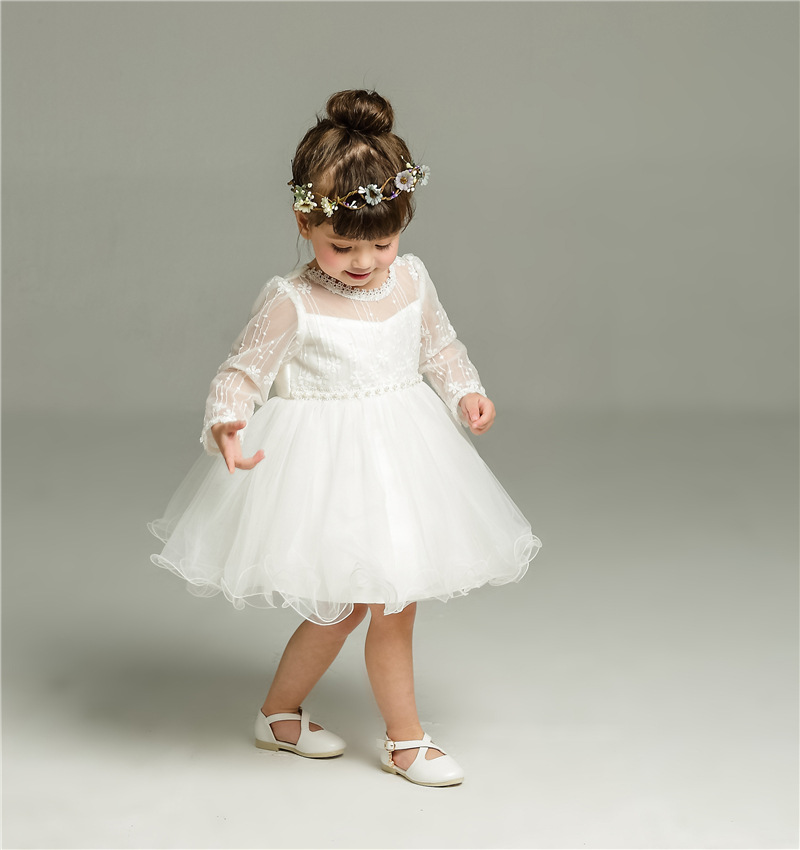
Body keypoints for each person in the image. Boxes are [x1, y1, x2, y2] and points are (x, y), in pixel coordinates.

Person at [148, 89, 542, 788]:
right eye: (342, 245)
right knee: (339, 609)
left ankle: (397, 738)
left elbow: (439, 346)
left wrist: (465, 392)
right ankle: (288, 717)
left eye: (382, 244)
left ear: (403, 225)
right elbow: (241, 374)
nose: (364, 261)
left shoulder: (410, 280)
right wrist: (227, 425)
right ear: (305, 221)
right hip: (326, 473)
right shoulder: (292, 300)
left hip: (401, 462)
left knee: (392, 604)